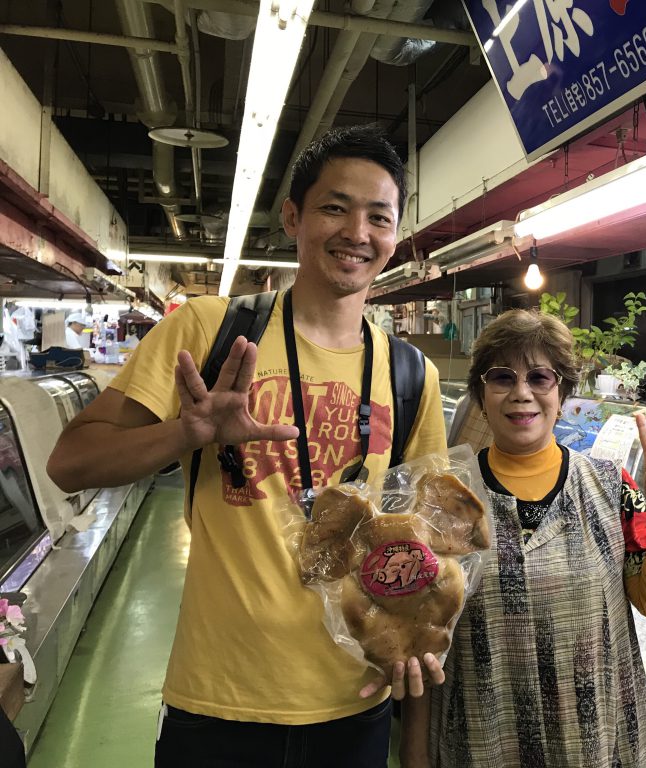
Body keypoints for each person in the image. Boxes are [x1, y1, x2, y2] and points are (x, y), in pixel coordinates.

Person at [47, 125, 448, 767]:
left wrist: (413, 639)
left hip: (354, 703)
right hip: (218, 703)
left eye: (379, 216)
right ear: (292, 217)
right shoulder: (211, 330)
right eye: (335, 207)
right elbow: (70, 462)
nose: (357, 232)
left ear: (395, 236)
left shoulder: (409, 374)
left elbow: (424, 539)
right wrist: (186, 434)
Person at [402, 309, 646, 767]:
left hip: (597, 743)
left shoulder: (611, 487)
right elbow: (421, 646)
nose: (522, 393)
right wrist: (414, 756)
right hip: (480, 742)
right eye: (503, 377)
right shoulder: (445, 501)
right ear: (481, 395)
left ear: (562, 393)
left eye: (540, 377)